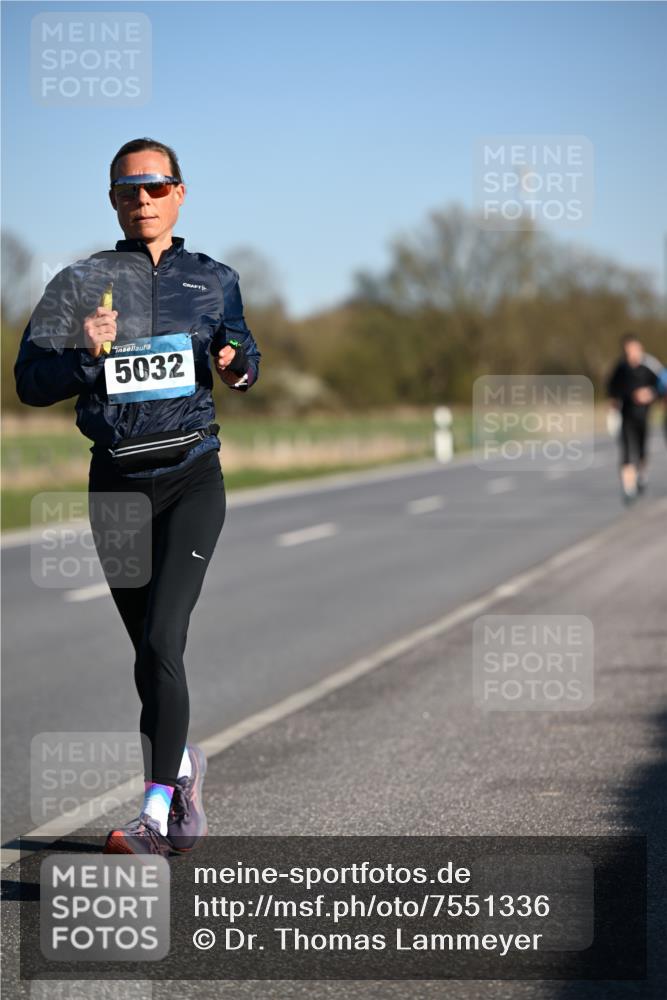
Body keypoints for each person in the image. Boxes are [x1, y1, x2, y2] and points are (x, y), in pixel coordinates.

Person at [15, 138, 261, 856]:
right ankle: (182, 769)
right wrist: (82, 356)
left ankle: (153, 816)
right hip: (116, 485)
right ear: (114, 200)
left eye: (155, 187)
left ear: (179, 193)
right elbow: (29, 382)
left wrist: (234, 362)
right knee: (147, 655)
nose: (143, 201)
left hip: (191, 474)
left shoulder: (215, 280)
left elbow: (247, 362)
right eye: (128, 190)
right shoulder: (78, 283)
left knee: (163, 638)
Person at [606, 332, 662, 504]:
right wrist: (625, 397)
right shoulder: (620, 369)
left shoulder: (650, 367)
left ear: (640, 349)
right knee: (627, 453)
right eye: (628, 350)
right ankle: (628, 490)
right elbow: (612, 389)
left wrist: (650, 394)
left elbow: (661, 386)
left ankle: (641, 476)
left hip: (644, 416)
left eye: (634, 349)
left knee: (642, 451)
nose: (632, 353)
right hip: (626, 417)